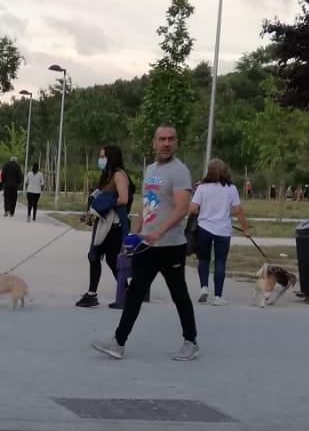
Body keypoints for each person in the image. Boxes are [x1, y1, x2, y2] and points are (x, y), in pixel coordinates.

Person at [92, 123, 197, 362]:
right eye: (162, 139)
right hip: (146, 245)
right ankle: (118, 342)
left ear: (176, 143)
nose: (166, 143)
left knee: (178, 293)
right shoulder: (150, 170)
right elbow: (147, 205)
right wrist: (135, 234)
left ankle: (191, 341)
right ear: (154, 142)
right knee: (135, 293)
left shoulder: (179, 171)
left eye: (171, 139)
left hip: (170, 245)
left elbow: (183, 208)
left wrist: (160, 231)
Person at [75, 145, 131, 309]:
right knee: (94, 256)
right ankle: (92, 294)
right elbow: (100, 200)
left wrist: (104, 204)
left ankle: (126, 293)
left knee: (112, 259)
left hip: (114, 224)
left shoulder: (119, 175)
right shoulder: (106, 176)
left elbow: (124, 199)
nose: (100, 159)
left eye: (103, 156)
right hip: (103, 222)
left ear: (111, 157)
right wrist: (90, 215)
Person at [190, 157, 251, 304]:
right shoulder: (231, 189)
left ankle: (204, 287)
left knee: (203, 259)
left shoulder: (202, 188)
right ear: (225, 172)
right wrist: (245, 229)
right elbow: (238, 211)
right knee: (220, 262)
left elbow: (193, 208)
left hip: (204, 228)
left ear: (208, 172)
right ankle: (218, 296)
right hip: (223, 230)